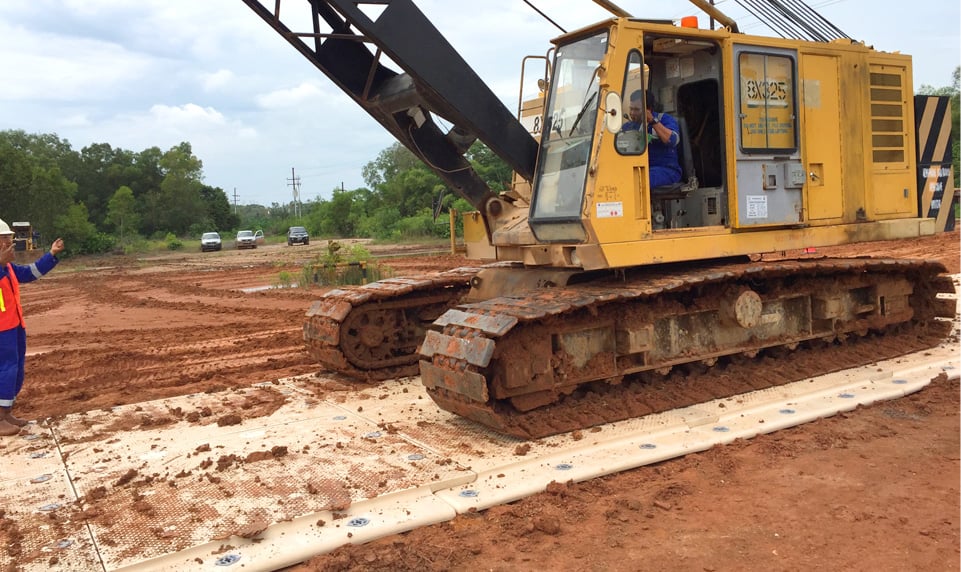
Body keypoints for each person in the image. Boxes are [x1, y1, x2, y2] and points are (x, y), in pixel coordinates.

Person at [0, 219, 64, 436]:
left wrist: (51, 255)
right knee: (5, 370)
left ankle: (6, 412)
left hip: (14, 326)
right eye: (4, 238)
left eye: (8, 237)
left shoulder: (8, 267)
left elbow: (29, 273)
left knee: (15, 369)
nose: (9, 242)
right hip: (1, 330)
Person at [622, 89, 682, 187]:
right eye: (631, 109)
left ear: (648, 109)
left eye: (636, 109)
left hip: (667, 170)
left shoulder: (664, 119)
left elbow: (673, 140)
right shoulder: (628, 127)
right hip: (641, 169)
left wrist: (652, 121)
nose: (632, 113)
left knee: (640, 180)